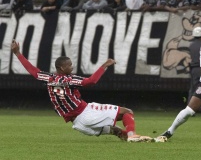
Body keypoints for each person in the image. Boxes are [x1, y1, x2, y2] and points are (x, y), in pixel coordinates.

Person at [11, 40, 153, 142]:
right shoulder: (68, 80)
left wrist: (17, 53)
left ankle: (131, 139)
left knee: (116, 131)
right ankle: (132, 135)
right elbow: (91, 81)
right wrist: (104, 65)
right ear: (61, 68)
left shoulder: (49, 78)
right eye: (69, 65)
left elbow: (33, 71)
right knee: (127, 112)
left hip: (78, 124)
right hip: (85, 113)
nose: (71, 67)